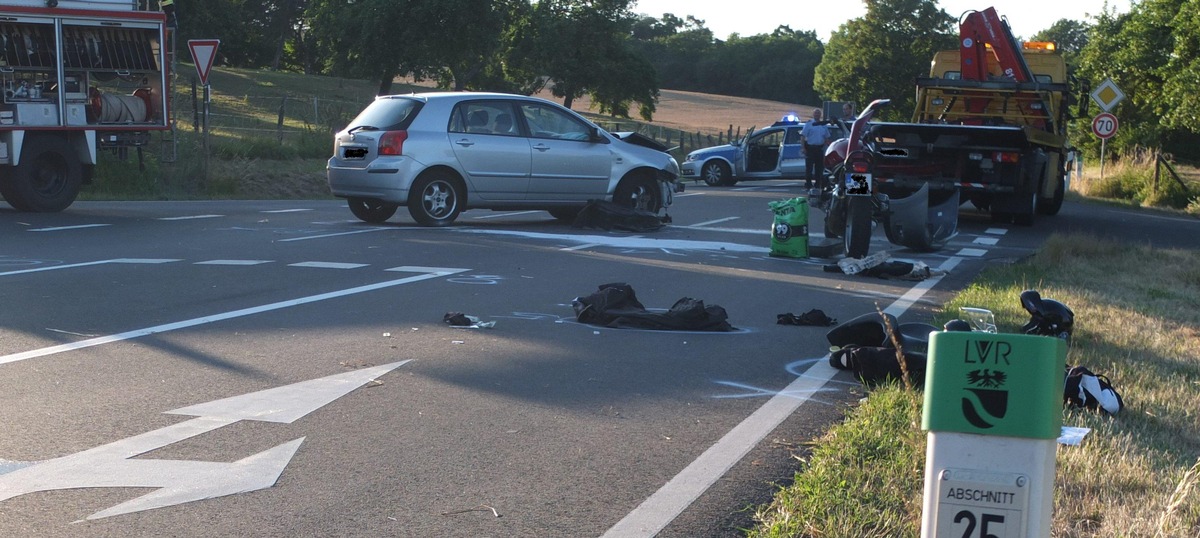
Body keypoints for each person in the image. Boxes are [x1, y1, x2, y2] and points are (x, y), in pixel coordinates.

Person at [800, 108, 831, 195]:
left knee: (819, 169)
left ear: (820, 115)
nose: (817, 115)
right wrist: (803, 148)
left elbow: (827, 138)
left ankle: (818, 185)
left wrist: (830, 146)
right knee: (809, 169)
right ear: (813, 115)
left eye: (818, 113)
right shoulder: (809, 124)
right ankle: (808, 185)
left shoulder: (823, 125)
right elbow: (803, 137)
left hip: (819, 149)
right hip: (810, 149)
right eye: (815, 113)